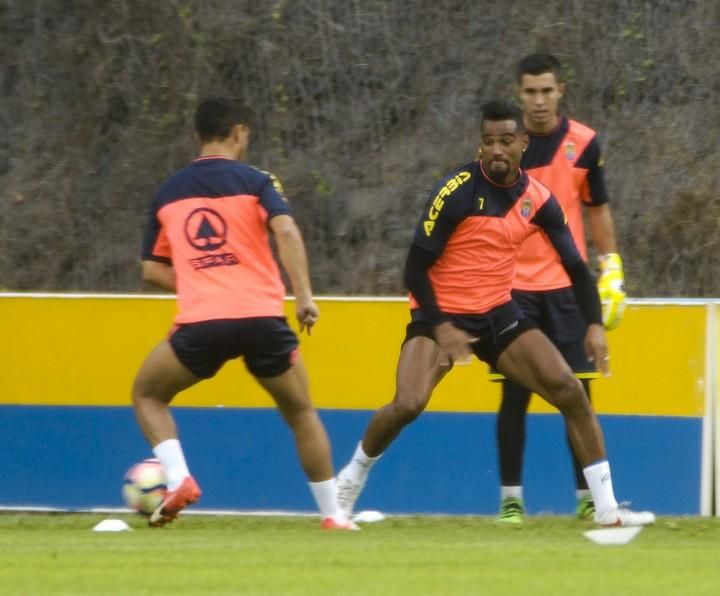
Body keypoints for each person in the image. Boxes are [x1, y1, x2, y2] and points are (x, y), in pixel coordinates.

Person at [336, 100, 653, 527]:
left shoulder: (538, 200)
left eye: (506, 140)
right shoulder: (456, 191)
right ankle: (348, 484)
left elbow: (577, 268)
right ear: (480, 144)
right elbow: (414, 270)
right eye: (489, 142)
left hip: (498, 313)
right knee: (408, 403)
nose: (497, 150)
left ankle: (608, 509)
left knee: (570, 390)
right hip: (439, 314)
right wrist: (443, 327)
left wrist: (594, 324)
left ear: (523, 142)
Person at [133, 96, 356, 530]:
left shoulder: (168, 191)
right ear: (238, 132)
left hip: (203, 324)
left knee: (148, 395)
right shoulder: (257, 180)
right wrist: (304, 296)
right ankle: (334, 516)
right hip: (262, 321)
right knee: (301, 414)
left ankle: (179, 479)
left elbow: (150, 269)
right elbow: (286, 229)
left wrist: (202, 281)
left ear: (198, 135)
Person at [494, 53, 627, 524]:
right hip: (513, 287)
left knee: (580, 394)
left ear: (560, 90)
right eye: (529, 91)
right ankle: (511, 499)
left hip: (567, 287)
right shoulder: (506, 146)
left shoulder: (584, 143)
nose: (538, 100)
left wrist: (611, 265)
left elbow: (597, 208)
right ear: (519, 93)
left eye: (546, 90)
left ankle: (590, 497)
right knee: (515, 394)